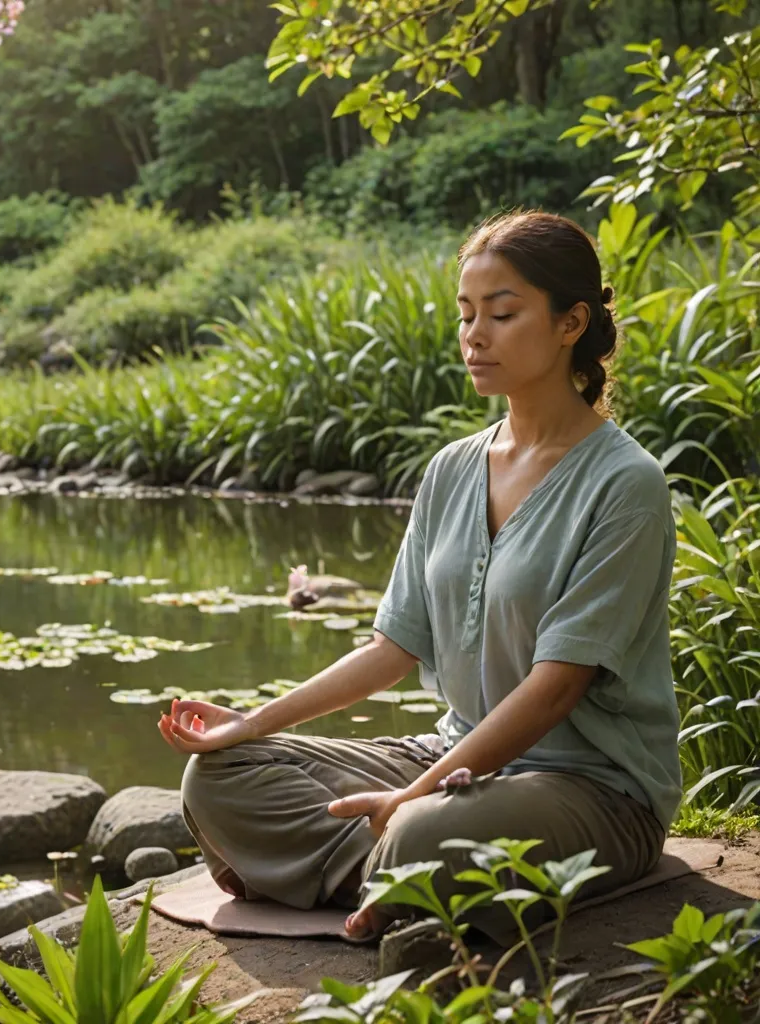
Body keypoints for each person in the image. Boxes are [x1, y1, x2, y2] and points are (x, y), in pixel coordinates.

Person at [157, 210, 682, 943]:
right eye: (467, 314)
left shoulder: (626, 483)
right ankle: (396, 879)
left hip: (592, 789)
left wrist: (414, 798)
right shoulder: (451, 469)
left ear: (571, 323)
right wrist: (249, 723)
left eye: (502, 313)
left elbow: (557, 687)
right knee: (219, 777)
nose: (475, 335)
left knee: (424, 830)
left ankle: (365, 865)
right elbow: (391, 649)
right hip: (450, 756)